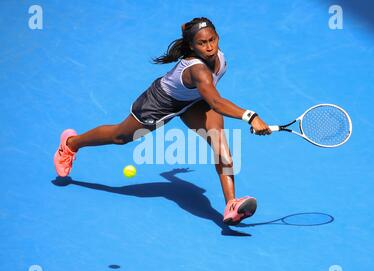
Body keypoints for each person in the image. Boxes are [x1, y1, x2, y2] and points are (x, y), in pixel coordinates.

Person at [54, 17, 271, 225]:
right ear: (192, 46)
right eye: (201, 43)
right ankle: (71, 144)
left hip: (194, 101)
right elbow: (215, 101)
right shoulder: (198, 70)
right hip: (161, 102)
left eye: (211, 39)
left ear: (218, 37)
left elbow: (210, 97)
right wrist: (250, 116)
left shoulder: (220, 59)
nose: (209, 46)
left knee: (221, 147)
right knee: (120, 137)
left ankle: (231, 204)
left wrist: (172, 176)